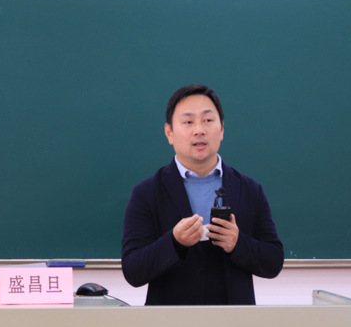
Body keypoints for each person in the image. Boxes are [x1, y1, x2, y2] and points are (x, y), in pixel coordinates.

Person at [121, 84, 284, 305]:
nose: (199, 130)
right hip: (171, 319)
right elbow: (133, 270)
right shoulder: (147, 192)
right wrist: (174, 242)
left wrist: (238, 243)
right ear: (169, 133)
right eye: (188, 122)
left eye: (208, 120)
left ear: (222, 129)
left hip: (234, 319)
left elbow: (273, 262)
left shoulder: (249, 189)